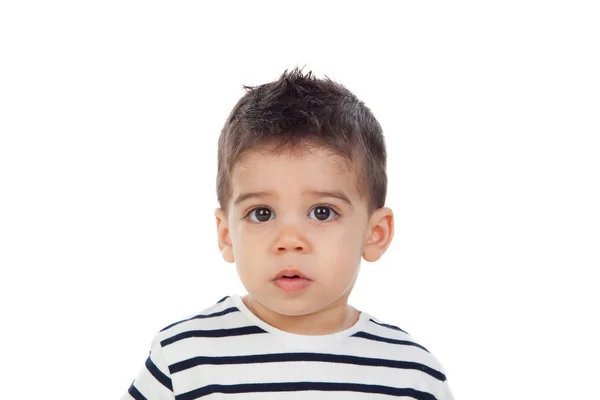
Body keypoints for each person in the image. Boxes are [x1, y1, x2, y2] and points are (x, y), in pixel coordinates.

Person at [121, 68, 455, 400]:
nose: (289, 240)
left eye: (322, 212)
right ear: (226, 235)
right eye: (261, 213)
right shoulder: (183, 360)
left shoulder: (412, 375)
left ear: (375, 233)